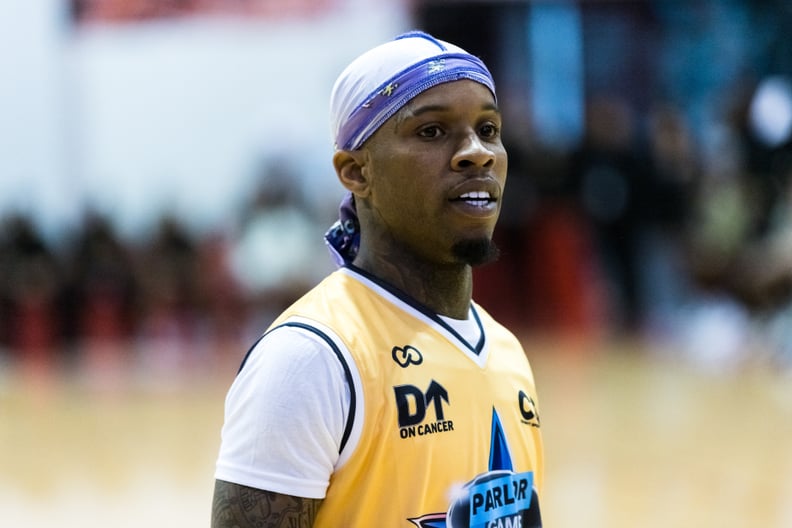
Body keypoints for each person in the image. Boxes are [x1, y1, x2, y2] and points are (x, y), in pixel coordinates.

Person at [211, 30, 544, 528]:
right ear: (355, 172)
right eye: (432, 131)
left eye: (489, 129)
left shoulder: (506, 349)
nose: (477, 153)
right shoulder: (310, 358)